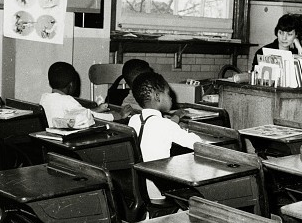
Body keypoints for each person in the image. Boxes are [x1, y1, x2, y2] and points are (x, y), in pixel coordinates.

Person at [128, 72, 202, 202]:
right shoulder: (166, 125)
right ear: (157, 97)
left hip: (138, 191)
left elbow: (156, 128)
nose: (171, 97)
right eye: (168, 94)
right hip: (158, 192)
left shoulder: (134, 120)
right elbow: (197, 143)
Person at [40, 61, 111, 127]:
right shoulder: (67, 100)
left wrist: (98, 109)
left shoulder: (44, 98)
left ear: (50, 83)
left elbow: (82, 112)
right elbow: (89, 116)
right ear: (71, 85)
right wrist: (114, 116)